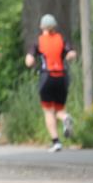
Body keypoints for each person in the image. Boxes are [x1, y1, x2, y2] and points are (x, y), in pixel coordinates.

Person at [25, 14, 77, 153]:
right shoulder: (61, 39)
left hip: (46, 77)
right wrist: (69, 56)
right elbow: (71, 53)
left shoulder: (38, 42)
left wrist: (31, 62)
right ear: (55, 26)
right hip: (62, 77)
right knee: (59, 109)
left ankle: (56, 142)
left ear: (41, 27)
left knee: (48, 110)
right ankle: (65, 117)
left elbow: (29, 61)